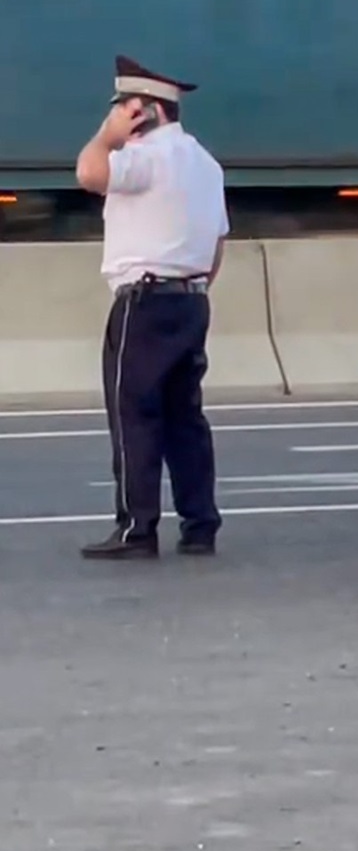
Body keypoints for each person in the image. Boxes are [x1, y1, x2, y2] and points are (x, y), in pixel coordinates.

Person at [74, 55, 230, 560]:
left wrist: (107, 135)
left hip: (142, 305)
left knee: (133, 415)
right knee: (185, 417)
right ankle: (200, 525)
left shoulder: (144, 158)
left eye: (125, 108)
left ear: (146, 112)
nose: (119, 116)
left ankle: (136, 529)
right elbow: (218, 244)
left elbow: (89, 173)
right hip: (191, 300)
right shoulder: (205, 163)